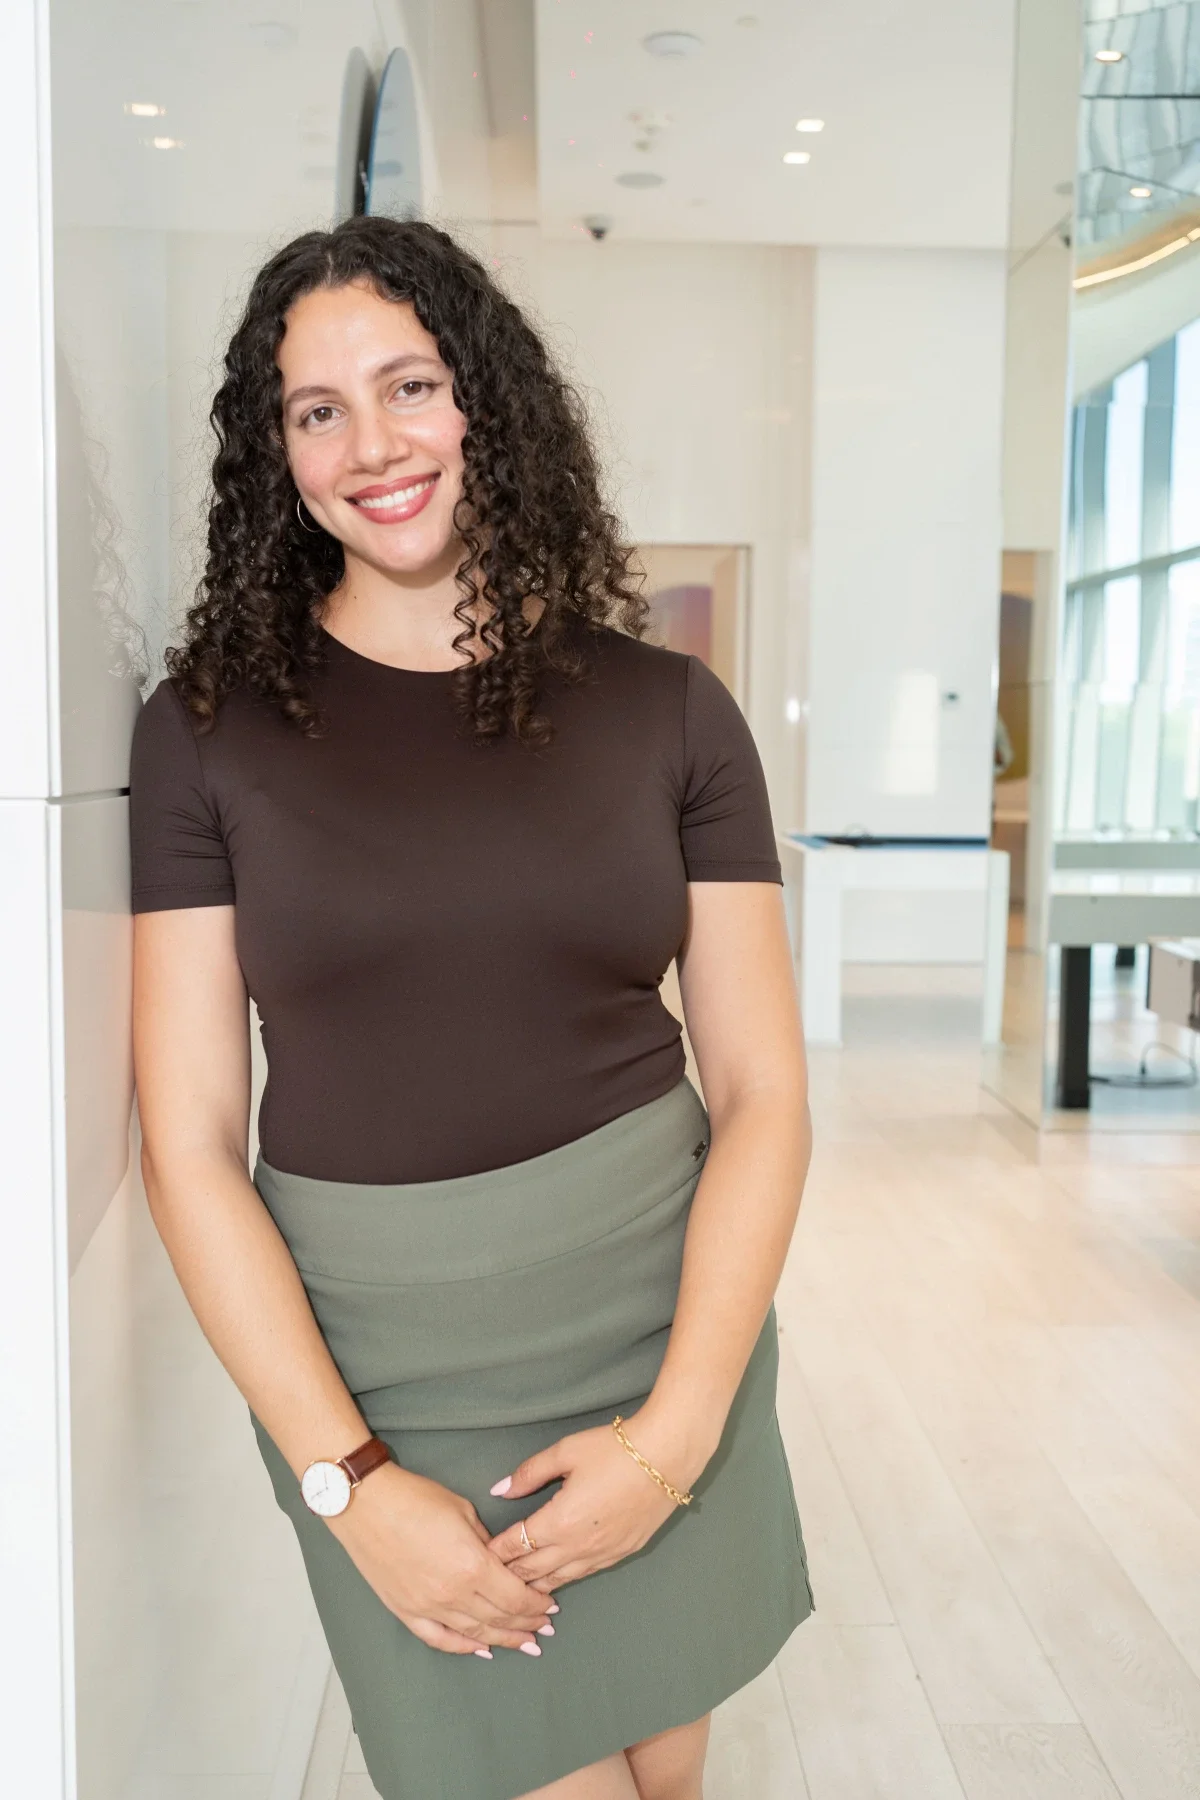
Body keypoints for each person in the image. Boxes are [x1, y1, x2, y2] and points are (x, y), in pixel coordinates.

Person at [129, 215, 813, 1800]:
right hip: (379, 1376)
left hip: (664, 1331)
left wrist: (681, 1429)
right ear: (276, 451)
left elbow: (766, 1093)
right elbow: (187, 1144)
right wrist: (347, 1480)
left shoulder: (671, 712)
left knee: (665, 1773)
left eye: (411, 384)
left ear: (486, 400)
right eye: (318, 409)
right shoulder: (209, 735)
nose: (373, 444)